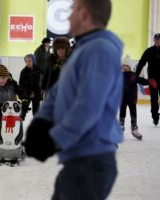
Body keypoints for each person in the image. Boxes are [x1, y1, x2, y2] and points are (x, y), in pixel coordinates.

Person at [24, 0, 123, 199]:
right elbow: (58, 92)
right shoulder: (82, 50)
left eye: (72, 10)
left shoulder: (99, 50)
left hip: (90, 161)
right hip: (77, 161)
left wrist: (53, 140)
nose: (68, 16)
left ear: (84, 14)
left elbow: (88, 106)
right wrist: (41, 121)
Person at [0, 64, 28, 157]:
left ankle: (20, 149)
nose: (1, 80)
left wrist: (24, 100)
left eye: (3, 78)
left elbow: (21, 92)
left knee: (17, 128)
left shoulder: (13, 83)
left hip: (13, 110)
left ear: (7, 77)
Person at [119, 55, 157, 140]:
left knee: (133, 114)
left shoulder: (133, 75)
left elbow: (141, 80)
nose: (125, 67)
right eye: (123, 65)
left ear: (130, 67)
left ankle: (134, 128)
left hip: (132, 99)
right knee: (122, 114)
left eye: (127, 66)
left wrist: (148, 81)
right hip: (122, 99)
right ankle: (120, 127)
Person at [136, 33, 160, 126]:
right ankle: (155, 117)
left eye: (159, 39)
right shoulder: (149, 51)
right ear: (154, 40)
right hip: (152, 80)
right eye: (156, 39)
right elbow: (141, 63)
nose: (158, 41)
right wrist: (136, 75)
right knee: (154, 99)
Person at [18, 54, 41, 120]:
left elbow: (42, 81)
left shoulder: (39, 70)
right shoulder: (23, 72)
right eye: (26, 61)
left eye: (29, 61)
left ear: (33, 61)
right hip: (27, 94)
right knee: (24, 110)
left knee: (36, 113)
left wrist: (39, 91)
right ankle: (20, 122)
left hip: (36, 93)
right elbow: (21, 85)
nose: (27, 63)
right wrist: (29, 92)